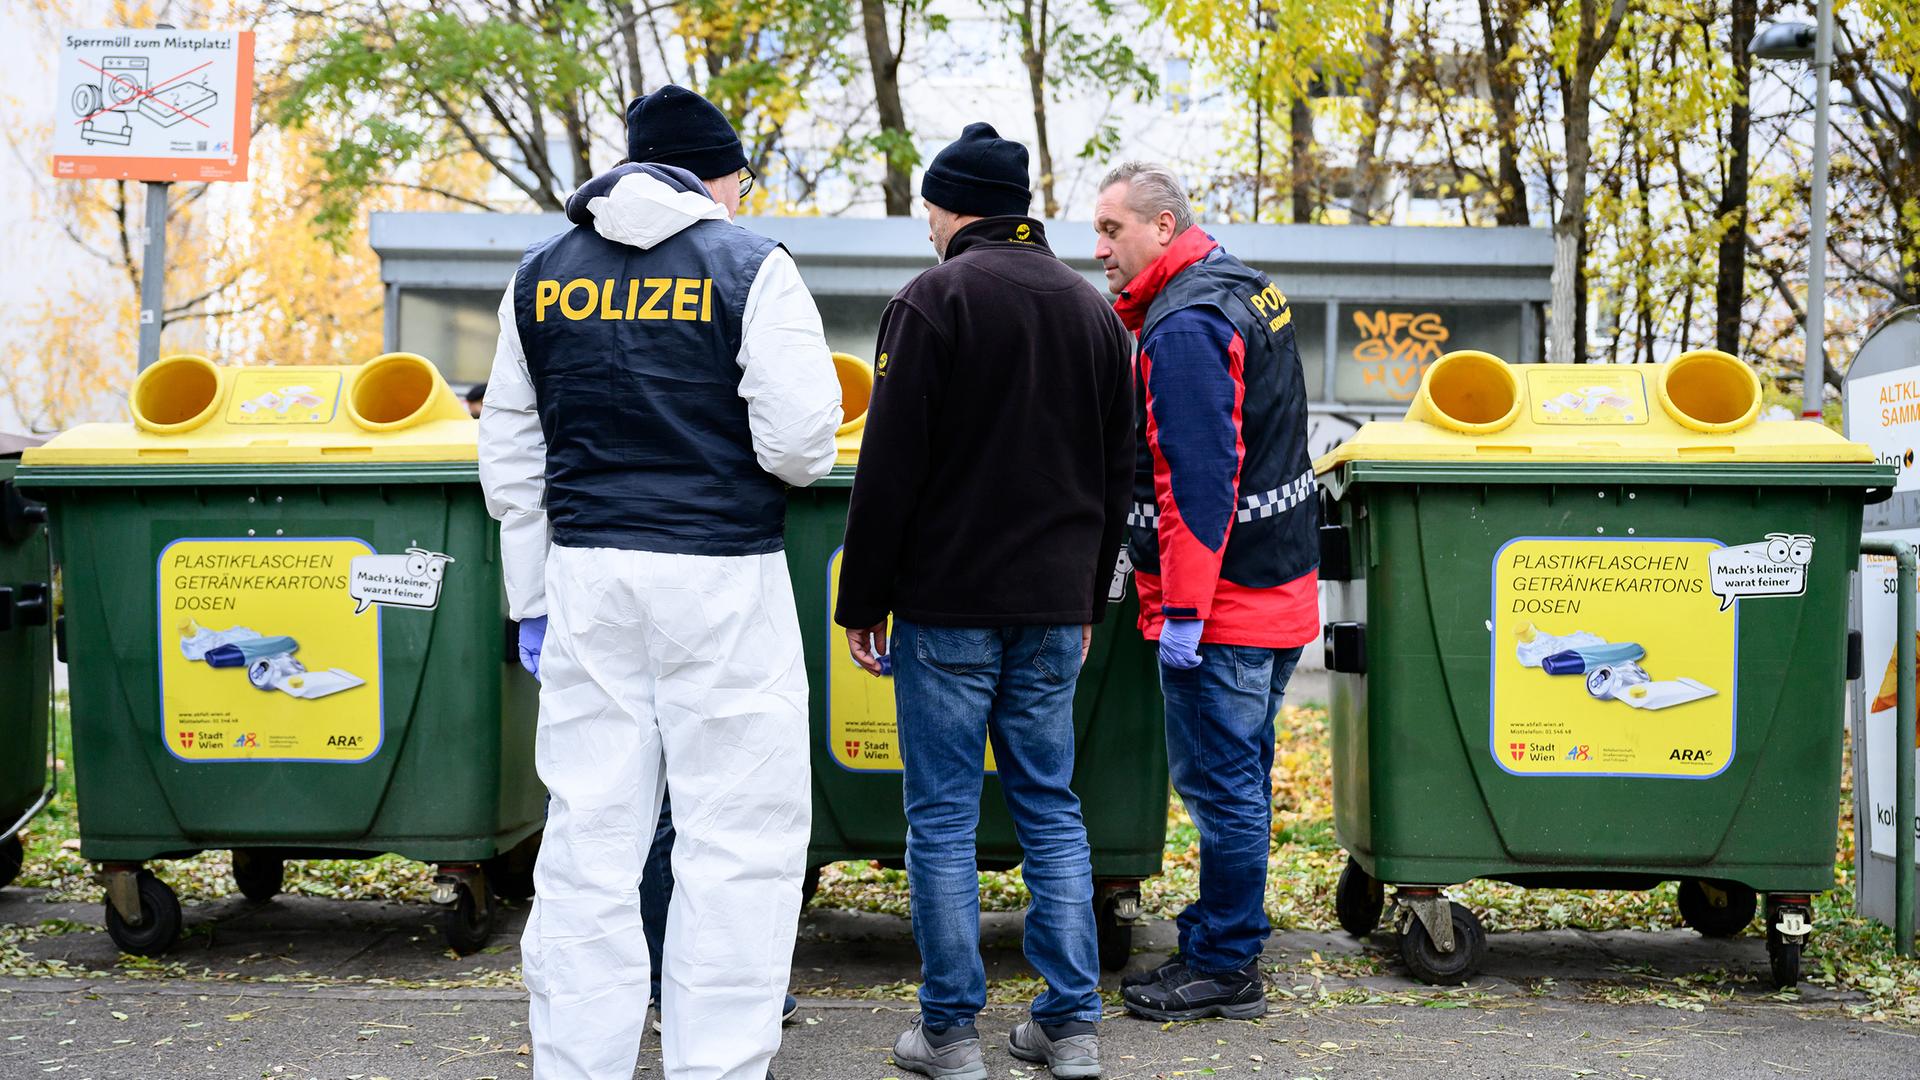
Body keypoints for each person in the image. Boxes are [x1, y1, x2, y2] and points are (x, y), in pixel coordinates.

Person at [478, 84, 841, 1080]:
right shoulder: (749, 263)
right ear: (715, 174)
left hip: (588, 577)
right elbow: (805, 445)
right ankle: (715, 1065)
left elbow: (509, 454)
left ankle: (578, 1063)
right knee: (736, 842)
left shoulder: (543, 274)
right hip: (724, 578)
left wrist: (532, 597)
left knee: (590, 843)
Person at [834, 123, 1135, 1080]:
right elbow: (1116, 473)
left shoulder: (933, 300)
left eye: (928, 206)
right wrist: (1087, 599)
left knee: (944, 819)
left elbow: (890, 468)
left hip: (949, 605)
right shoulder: (1095, 315)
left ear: (955, 205)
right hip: (1053, 609)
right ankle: (1070, 1026)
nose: (925, 223)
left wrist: (862, 599)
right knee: (1051, 808)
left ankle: (951, 1032)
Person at [1091, 162, 1319, 1022]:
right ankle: (1227, 931)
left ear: (1161, 224)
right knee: (1243, 779)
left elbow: (1198, 486)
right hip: (1278, 591)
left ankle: (1225, 965)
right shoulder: (1243, 288)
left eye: (1113, 229)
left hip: (1223, 610)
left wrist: (1183, 610)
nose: (1101, 247)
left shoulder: (1185, 325)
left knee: (1222, 786)